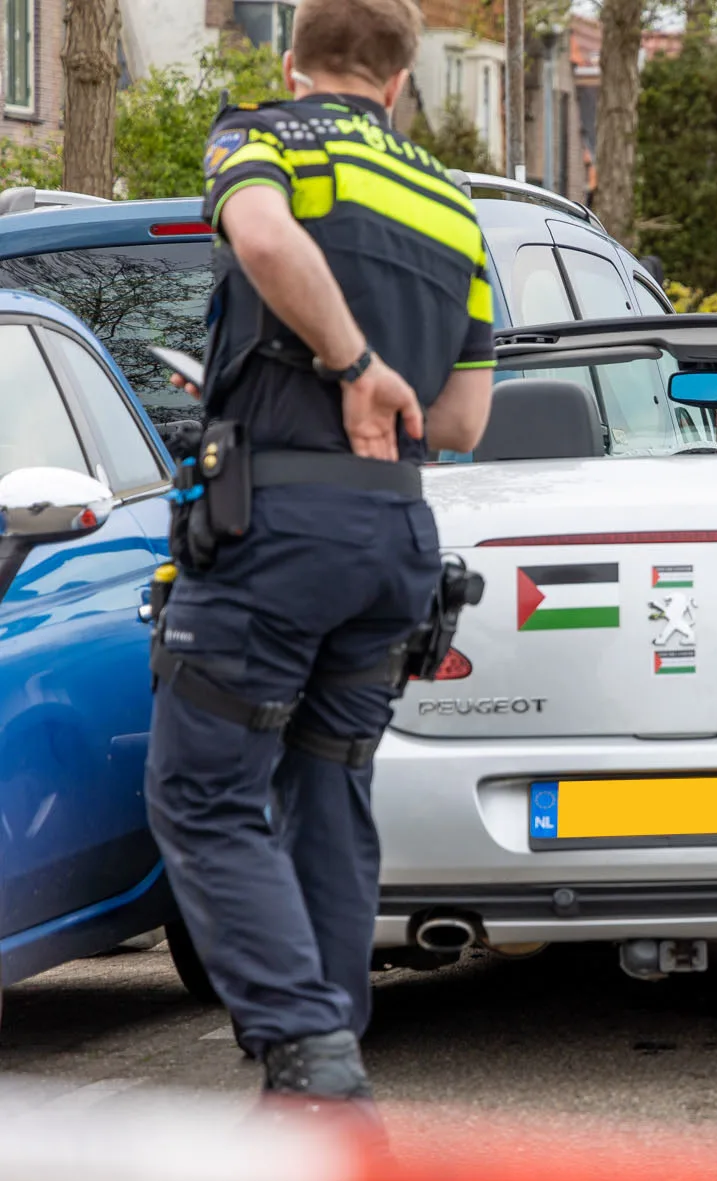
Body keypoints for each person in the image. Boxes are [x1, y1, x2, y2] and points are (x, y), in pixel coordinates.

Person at [145, 0, 494, 1106]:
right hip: (393, 534)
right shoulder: (455, 207)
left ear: (292, 64)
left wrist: (347, 366)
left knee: (201, 795)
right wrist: (386, 384)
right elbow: (463, 421)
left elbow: (256, 234)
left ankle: (309, 1056)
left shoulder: (267, 135)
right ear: (398, 83)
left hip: (278, 528)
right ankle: (324, 1068)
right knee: (330, 788)